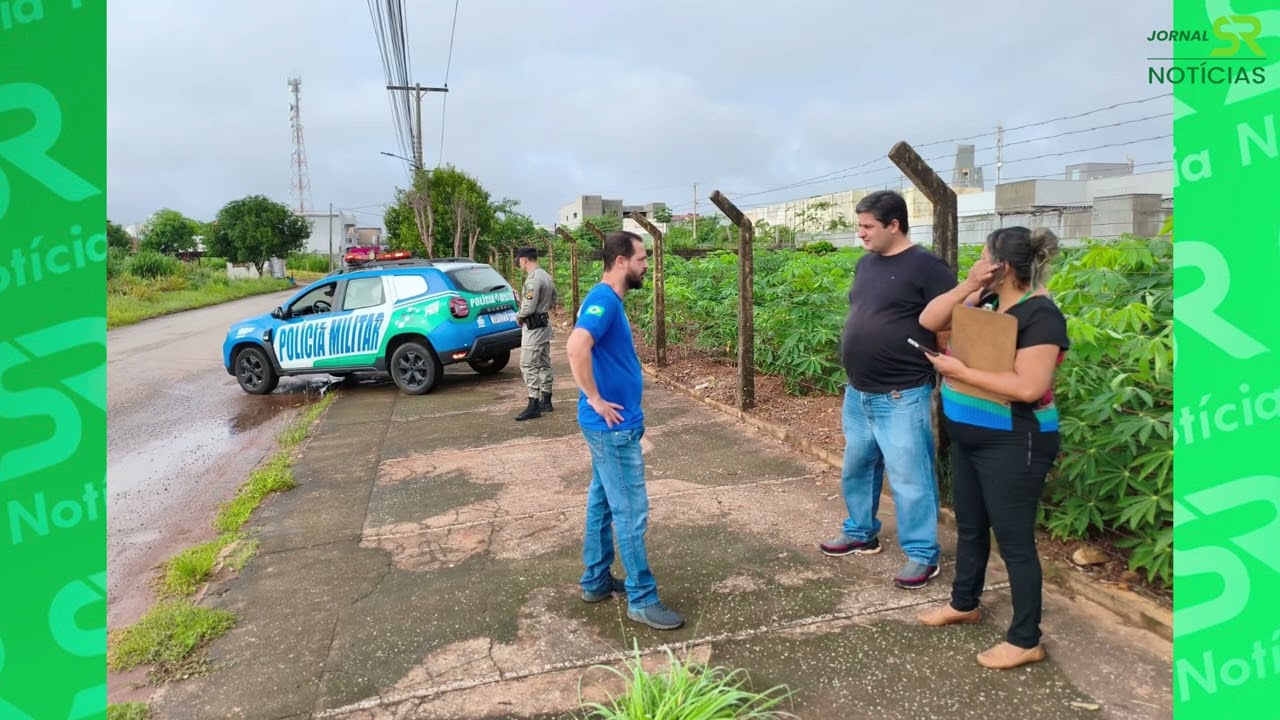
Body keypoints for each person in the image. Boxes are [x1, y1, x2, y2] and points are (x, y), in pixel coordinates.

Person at [914, 226, 1069, 670]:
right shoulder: (985, 303)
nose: (976, 261)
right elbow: (929, 321)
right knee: (971, 526)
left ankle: (1026, 639)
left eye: (983, 256)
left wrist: (958, 371)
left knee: (1015, 542)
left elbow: (1028, 386)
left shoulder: (1041, 316)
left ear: (1001, 265)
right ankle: (965, 603)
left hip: (1015, 441)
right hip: (971, 437)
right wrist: (969, 285)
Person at [819, 189, 957, 590]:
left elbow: (948, 323)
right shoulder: (867, 264)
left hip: (902, 393)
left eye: (867, 226)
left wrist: (945, 366)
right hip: (859, 392)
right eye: (859, 225)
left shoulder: (928, 267)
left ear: (894, 225)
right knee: (857, 467)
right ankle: (861, 530)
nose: (860, 233)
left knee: (910, 476)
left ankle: (922, 554)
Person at [566, 230, 684, 631]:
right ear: (621, 261)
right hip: (611, 427)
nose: (645, 265)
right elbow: (576, 345)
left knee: (602, 505)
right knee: (630, 513)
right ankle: (642, 598)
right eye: (641, 258)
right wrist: (596, 399)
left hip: (608, 428)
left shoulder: (607, 299)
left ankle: (596, 580)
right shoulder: (603, 300)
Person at [514, 246, 556, 421]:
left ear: (524, 260)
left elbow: (528, 306)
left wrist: (520, 315)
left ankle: (534, 404)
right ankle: (546, 400)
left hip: (533, 328)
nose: (519, 263)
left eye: (519, 260)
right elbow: (555, 298)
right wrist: (543, 310)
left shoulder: (532, 280)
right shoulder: (545, 275)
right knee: (544, 363)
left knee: (528, 365)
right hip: (544, 325)